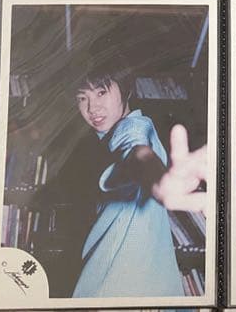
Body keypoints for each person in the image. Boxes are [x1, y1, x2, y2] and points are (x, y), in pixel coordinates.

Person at [70, 58, 190, 298]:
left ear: (126, 89)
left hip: (119, 283)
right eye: (83, 98)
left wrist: (158, 179)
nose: (92, 108)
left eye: (101, 92)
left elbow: (137, 150)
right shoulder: (118, 135)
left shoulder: (132, 127)